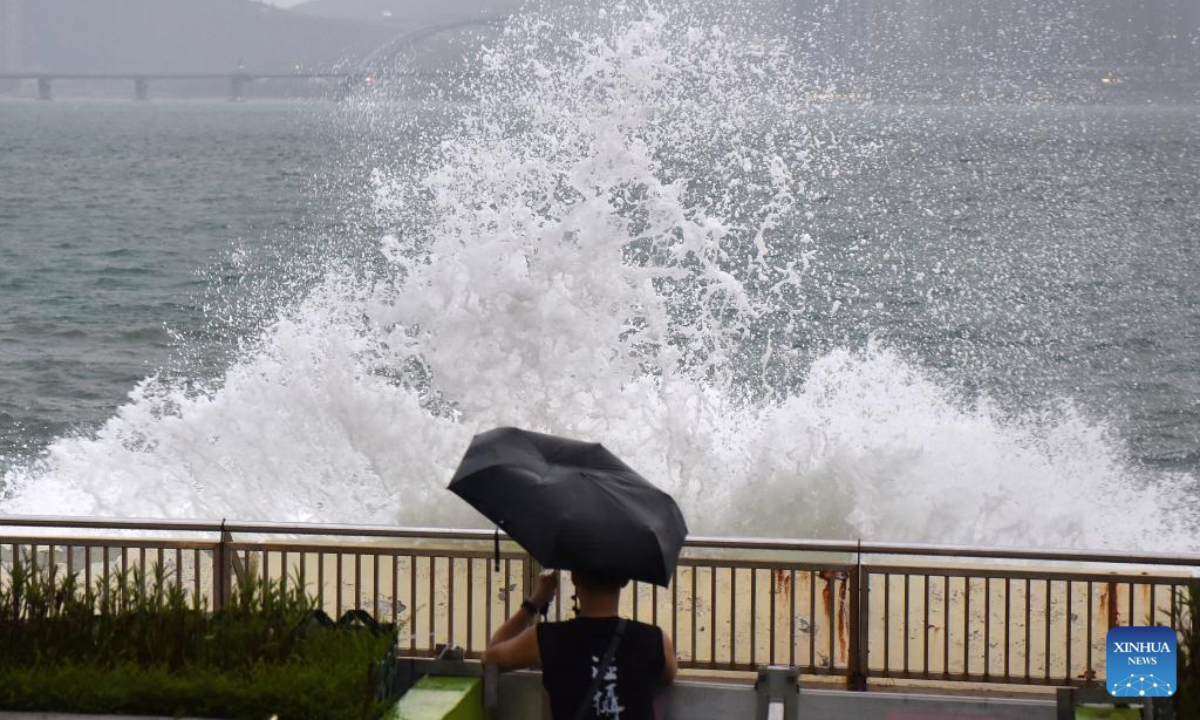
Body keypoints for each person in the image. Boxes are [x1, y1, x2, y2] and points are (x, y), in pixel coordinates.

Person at [484, 570, 678, 719]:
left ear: (574, 578)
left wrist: (535, 602)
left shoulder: (546, 637)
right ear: (625, 580)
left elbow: (492, 657)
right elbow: (666, 679)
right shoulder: (656, 640)